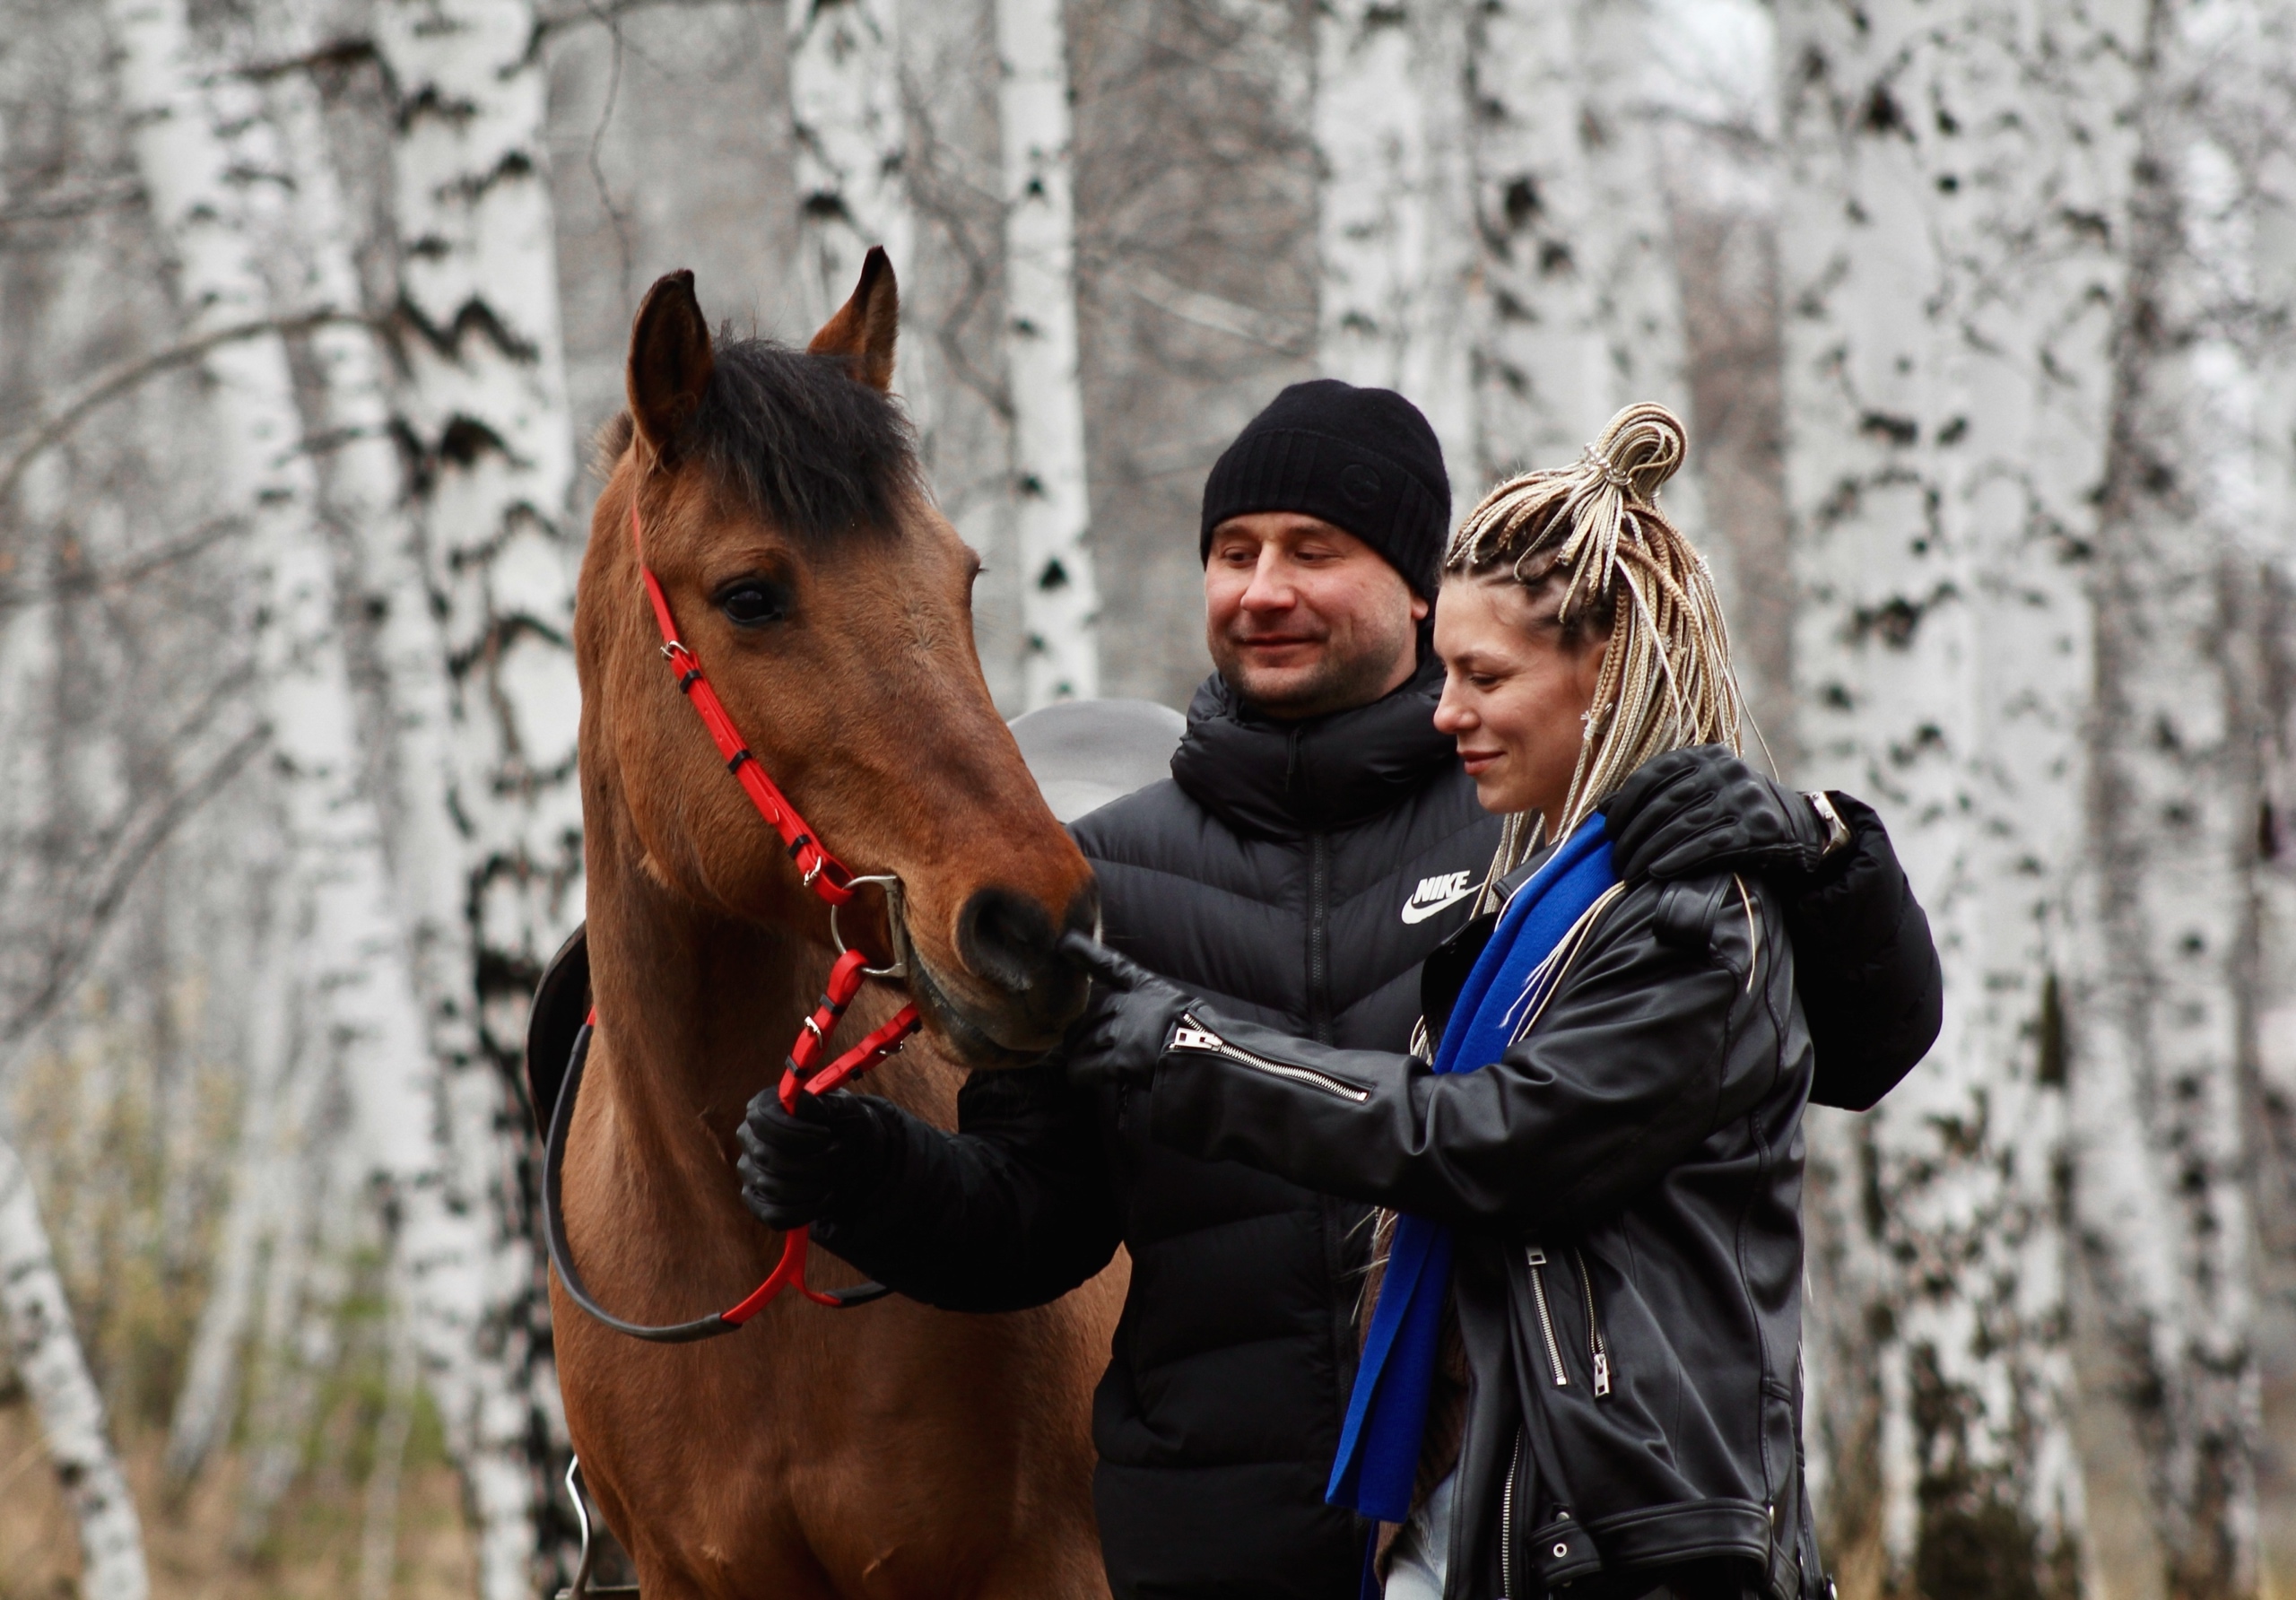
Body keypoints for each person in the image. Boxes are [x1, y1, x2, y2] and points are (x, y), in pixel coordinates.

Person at [739, 382, 1939, 1599]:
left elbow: (1859, 1050)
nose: (1263, 590)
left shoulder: (1548, 834)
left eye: (1313, 552)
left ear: (1419, 587)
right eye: (1232, 553)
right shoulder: (1103, 872)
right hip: (1208, 1549)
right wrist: (867, 1180)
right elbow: (1039, 1220)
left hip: (1500, 1536)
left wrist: (1825, 853)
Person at [1070, 401, 1826, 1598]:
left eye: (1483, 675)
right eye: (1234, 549)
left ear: (1603, 672)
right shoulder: (1539, 896)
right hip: (1473, 1524)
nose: (1448, 710)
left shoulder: (1680, 914)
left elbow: (1496, 1139)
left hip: (1630, 1537)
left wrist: (1191, 1051)